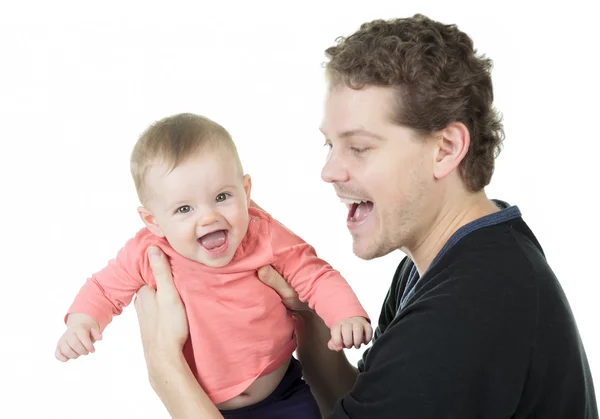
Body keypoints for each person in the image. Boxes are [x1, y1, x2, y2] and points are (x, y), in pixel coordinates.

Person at [133, 13, 599, 419]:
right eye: (329, 145)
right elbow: (373, 405)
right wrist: (310, 330)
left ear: (446, 149)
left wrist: (168, 372)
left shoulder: (473, 305)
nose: (329, 171)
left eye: (358, 147)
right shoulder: (450, 261)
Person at [54, 113, 373, 418]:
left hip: (282, 395)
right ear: (153, 220)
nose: (208, 217)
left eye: (222, 197)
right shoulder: (149, 252)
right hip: (202, 407)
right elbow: (103, 289)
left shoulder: (262, 234)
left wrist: (345, 315)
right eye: (184, 209)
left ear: (246, 192)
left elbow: (315, 274)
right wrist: (80, 324)